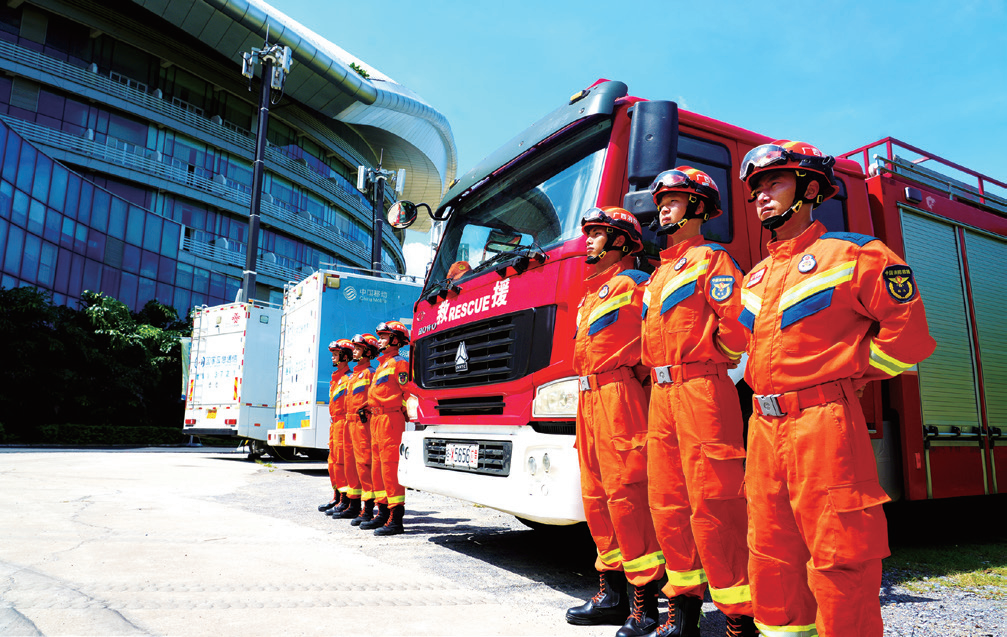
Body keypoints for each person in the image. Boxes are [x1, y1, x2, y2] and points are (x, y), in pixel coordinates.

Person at [734, 140, 936, 636]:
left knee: (839, 553)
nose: (761, 196)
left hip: (824, 423)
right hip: (763, 427)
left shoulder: (855, 254)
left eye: (775, 183)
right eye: (756, 189)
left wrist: (853, 374)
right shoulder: (754, 278)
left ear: (809, 189)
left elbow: (908, 335)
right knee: (770, 554)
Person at [641, 168, 756, 637]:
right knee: (667, 504)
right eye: (661, 201)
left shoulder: (713, 260)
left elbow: (739, 324)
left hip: (702, 390)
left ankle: (738, 618)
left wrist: (713, 358)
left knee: (716, 504)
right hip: (661, 396)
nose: (664, 208)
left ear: (698, 208)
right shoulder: (658, 274)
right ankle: (682, 612)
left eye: (674, 200)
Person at [566, 206, 665, 637]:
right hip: (588, 399)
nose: (588, 240)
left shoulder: (638, 284)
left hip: (618, 395)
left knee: (628, 498)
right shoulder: (590, 295)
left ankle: (644, 606)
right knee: (596, 498)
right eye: (587, 233)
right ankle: (610, 595)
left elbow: (655, 341)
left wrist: (632, 385)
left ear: (621, 241)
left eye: (597, 233)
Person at [358, 320, 412, 536]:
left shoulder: (399, 363)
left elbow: (407, 392)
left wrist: (405, 413)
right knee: (378, 468)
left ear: (395, 340)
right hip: (377, 420)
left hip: (390, 420)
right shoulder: (382, 365)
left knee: (390, 467)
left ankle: (396, 519)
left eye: (383, 337)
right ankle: (382, 513)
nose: (379, 340)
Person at [338, 333, 380, 525]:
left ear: (367, 352)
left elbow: (374, 397)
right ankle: (354, 505)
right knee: (352, 465)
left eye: (358, 348)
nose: (354, 351)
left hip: (363, 424)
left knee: (364, 465)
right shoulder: (354, 375)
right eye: (354, 348)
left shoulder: (370, 373)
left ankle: (368, 509)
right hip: (350, 424)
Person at [319, 339, 354, 516]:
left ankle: (345, 500)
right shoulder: (336, 379)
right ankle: (337, 496)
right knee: (333, 463)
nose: (332, 357)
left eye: (335, 354)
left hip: (344, 423)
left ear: (345, 356)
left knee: (342, 462)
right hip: (335, 424)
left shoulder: (349, 378)